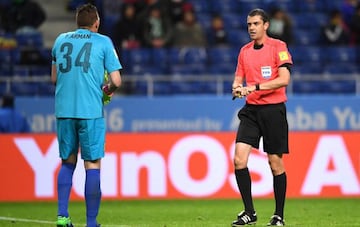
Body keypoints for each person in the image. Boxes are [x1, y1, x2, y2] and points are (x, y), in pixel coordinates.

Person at [51, 3, 122, 227]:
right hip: (90, 111)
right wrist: (107, 90)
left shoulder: (60, 40)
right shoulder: (103, 41)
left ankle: (62, 217)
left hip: (64, 111)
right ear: (96, 22)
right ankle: (91, 223)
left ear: (77, 22)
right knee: (92, 164)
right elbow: (117, 81)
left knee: (67, 163)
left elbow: (54, 79)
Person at [231, 8, 292, 226]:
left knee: (275, 164)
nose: (251, 28)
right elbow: (238, 78)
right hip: (252, 111)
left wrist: (253, 87)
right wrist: (237, 87)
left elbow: (284, 79)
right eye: (249, 24)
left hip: (273, 110)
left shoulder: (279, 47)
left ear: (266, 25)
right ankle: (249, 212)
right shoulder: (244, 51)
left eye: (256, 24)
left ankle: (278, 216)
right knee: (239, 160)